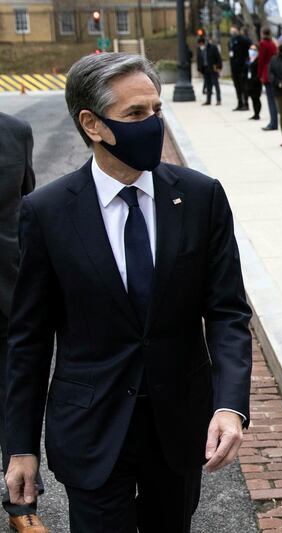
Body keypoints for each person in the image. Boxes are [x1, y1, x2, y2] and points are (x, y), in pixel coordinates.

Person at [3, 53, 252, 530]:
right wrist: (20, 448)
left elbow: (226, 312)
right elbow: (28, 340)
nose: (153, 124)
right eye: (136, 114)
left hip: (176, 427)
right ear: (92, 124)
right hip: (91, 429)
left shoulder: (201, 197)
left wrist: (229, 404)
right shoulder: (48, 212)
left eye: (156, 110)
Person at [0, 113, 48, 533]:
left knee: (15, 397)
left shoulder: (15, 131)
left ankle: (22, 505)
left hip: (7, 290)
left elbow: (26, 206)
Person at [257, 28, 279, 131]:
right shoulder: (273, 44)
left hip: (266, 72)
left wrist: (259, 74)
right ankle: (274, 121)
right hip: (274, 72)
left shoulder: (263, 44)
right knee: (273, 99)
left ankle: (273, 123)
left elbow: (261, 59)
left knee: (270, 100)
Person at [229, 25, 252, 112]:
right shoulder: (231, 41)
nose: (233, 33)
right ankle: (240, 103)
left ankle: (245, 103)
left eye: (234, 31)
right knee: (237, 86)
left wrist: (247, 63)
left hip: (242, 67)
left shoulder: (243, 40)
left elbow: (250, 50)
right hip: (234, 68)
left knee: (243, 86)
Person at [197, 35, 222, 106]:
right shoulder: (199, 49)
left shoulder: (212, 48)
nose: (200, 45)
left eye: (201, 44)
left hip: (213, 69)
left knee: (216, 84)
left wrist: (218, 67)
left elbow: (218, 58)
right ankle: (208, 100)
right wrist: (199, 69)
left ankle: (218, 100)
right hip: (205, 69)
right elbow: (199, 59)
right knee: (208, 86)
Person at [244, 44, 262, 120]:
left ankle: (257, 113)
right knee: (252, 98)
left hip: (256, 82)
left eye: (254, 49)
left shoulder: (258, 60)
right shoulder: (248, 59)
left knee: (256, 98)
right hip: (249, 81)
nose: (251, 51)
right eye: (250, 49)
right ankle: (255, 113)